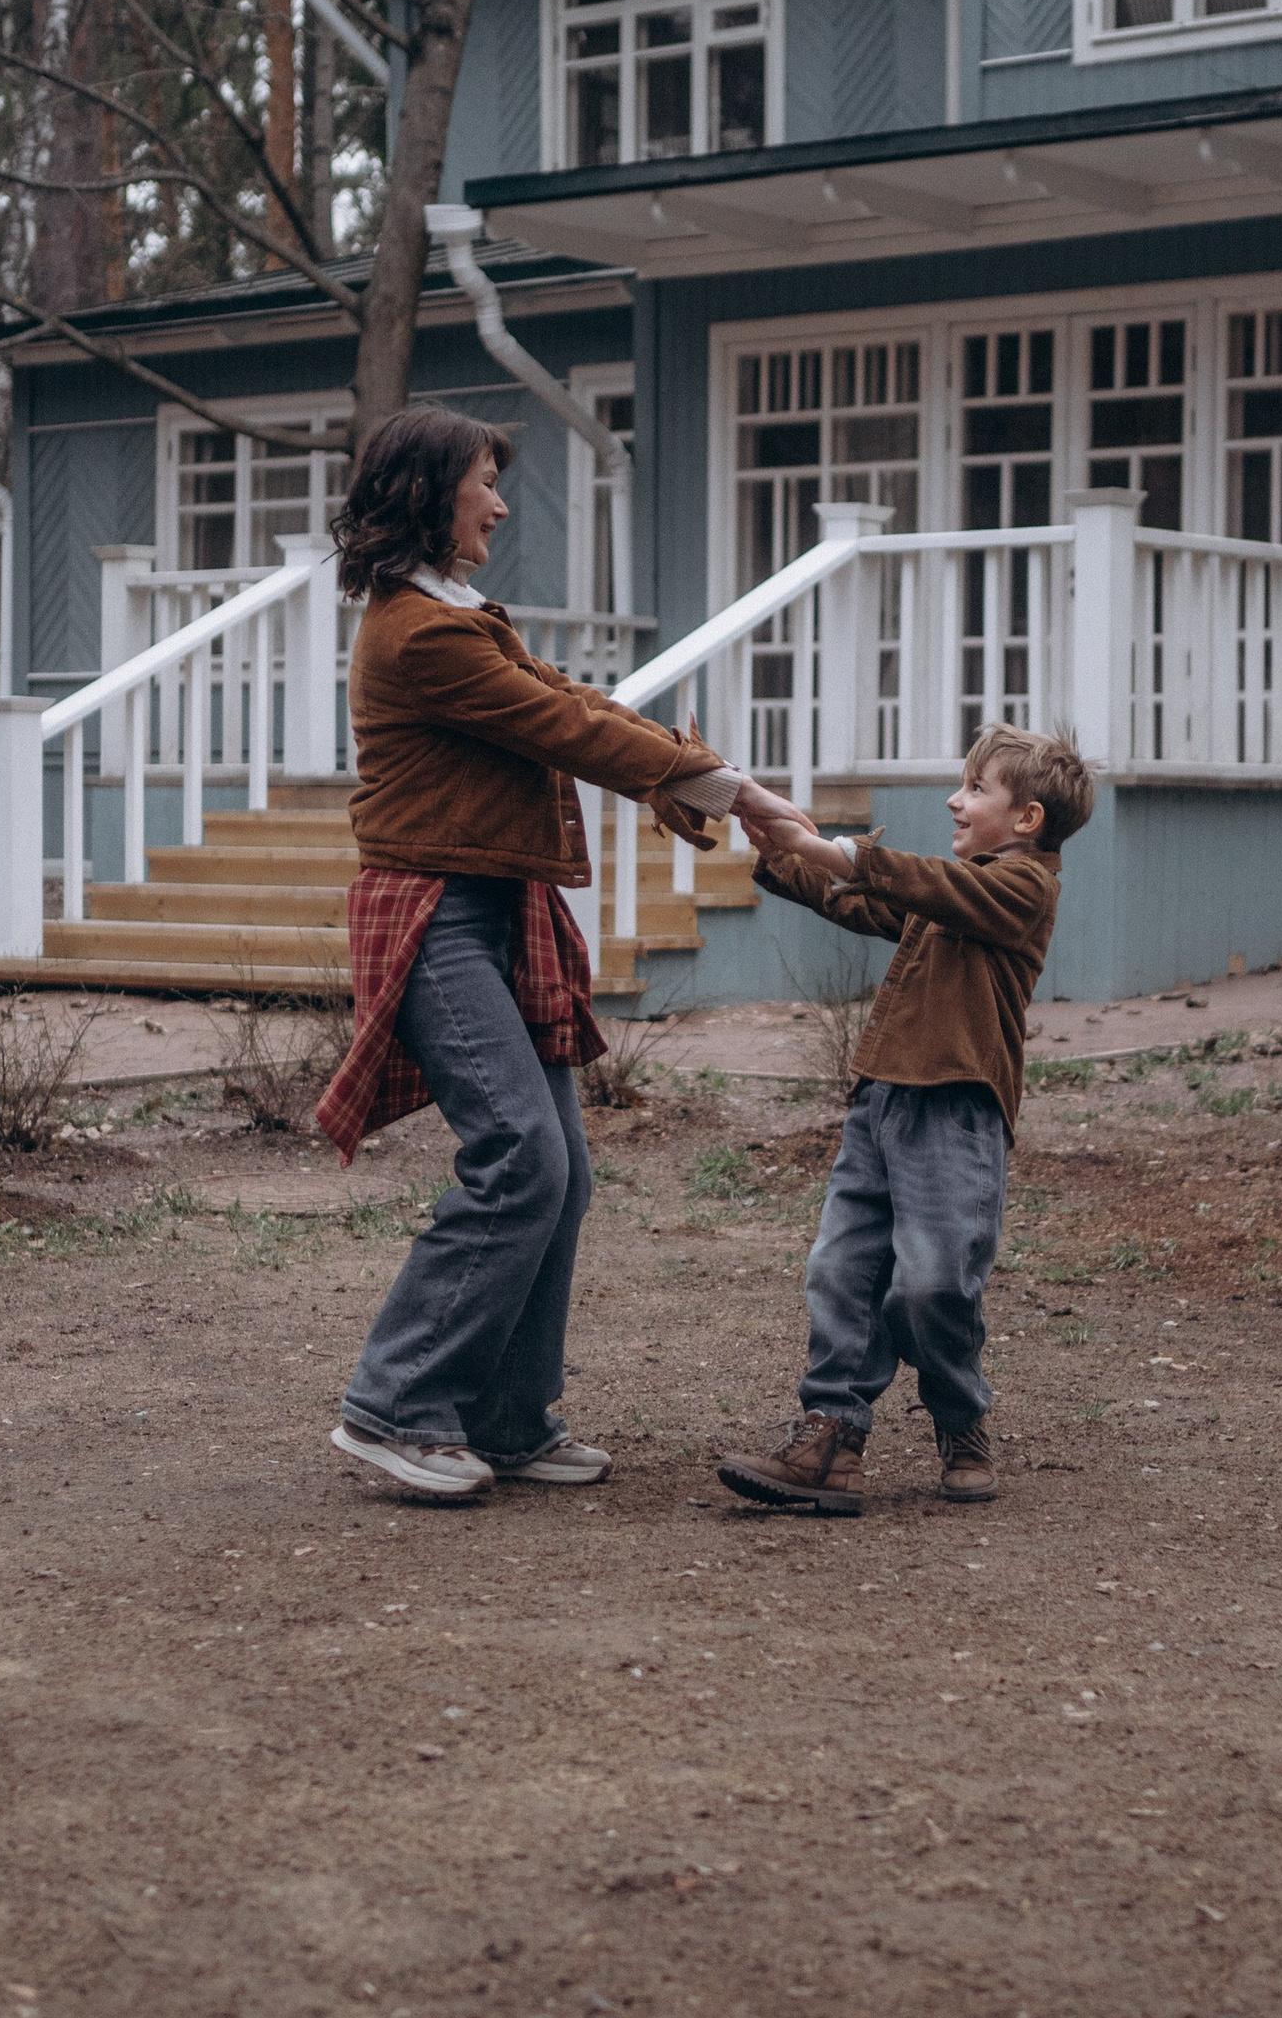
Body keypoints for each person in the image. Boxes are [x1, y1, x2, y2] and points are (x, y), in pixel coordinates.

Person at [316, 405, 789, 1505]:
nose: (499, 500)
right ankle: (392, 1404)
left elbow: (573, 703)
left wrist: (695, 775)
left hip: (494, 906)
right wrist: (738, 794)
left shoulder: (458, 614)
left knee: (559, 1172)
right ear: (432, 497)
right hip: (436, 916)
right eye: (484, 480)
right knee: (522, 1155)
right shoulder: (416, 634)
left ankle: (508, 1419)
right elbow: (565, 730)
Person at [717, 723, 1094, 1517]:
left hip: (956, 1113)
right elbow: (867, 901)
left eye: (976, 789)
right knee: (840, 1271)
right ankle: (831, 1437)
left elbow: (917, 883)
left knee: (931, 1286)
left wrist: (841, 851)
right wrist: (784, 851)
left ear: (1027, 819)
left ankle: (961, 1420)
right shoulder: (949, 891)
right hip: (881, 1102)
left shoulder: (1022, 891)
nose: (955, 801)